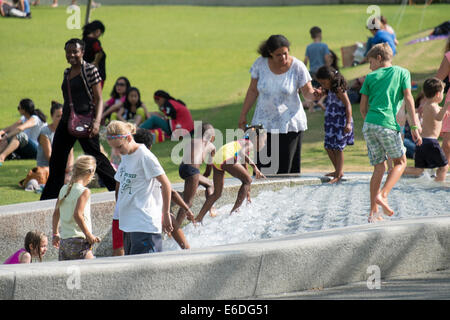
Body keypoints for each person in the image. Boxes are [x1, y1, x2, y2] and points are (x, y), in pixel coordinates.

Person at [40, 38, 117, 200]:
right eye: (68, 52)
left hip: (86, 122)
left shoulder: (90, 70)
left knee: (96, 156)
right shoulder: (66, 73)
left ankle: (118, 189)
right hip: (67, 121)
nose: (71, 55)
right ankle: (49, 199)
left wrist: (97, 122)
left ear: (82, 52)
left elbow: (99, 98)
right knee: (57, 161)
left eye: (75, 51)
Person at [238, 34, 320, 174]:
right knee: (261, 170)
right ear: (270, 53)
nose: (283, 58)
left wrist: (316, 94)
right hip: (262, 124)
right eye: (278, 55)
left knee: (284, 171)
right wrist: (243, 114)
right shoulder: (260, 64)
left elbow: (307, 93)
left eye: (285, 53)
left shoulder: (298, 67)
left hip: (288, 126)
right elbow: (252, 91)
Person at [359, 43, 422, 223]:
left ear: (379, 58)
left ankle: (373, 211)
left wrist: (370, 122)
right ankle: (383, 195)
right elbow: (409, 99)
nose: (370, 67)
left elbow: (363, 108)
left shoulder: (370, 77)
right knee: (400, 162)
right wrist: (415, 127)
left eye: (370, 62)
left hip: (369, 124)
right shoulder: (402, 73)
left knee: (379, 167)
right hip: (387, 124)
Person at [106, 121, 173, 255]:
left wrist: (165, 214)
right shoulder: (126, 155)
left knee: (146, 272)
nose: (117, 152)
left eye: (119, 147)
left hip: (144, 224)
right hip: (128, 224)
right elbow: (120, 183)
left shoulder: (145, 157)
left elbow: (166, 184)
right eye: (114, 148)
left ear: (129, 138)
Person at [133, 128, 195, 250]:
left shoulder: (129, 162)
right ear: (150, 146)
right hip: (153, 213)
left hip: (135, 216)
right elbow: (171, 191)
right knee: (185, 246)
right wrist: (186, 208)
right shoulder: (149, 160)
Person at [194, 126, 267, 225]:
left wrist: (248, 194)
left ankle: (198, 219)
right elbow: (241, 154)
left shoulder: (242, 142)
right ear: (257, 138)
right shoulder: (249, 143)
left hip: (218, 159)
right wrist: (255, 167)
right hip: (226, 158)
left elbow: (244, 170)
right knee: (248, 180)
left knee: (217, 194)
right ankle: (234, 212)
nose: (264, 143)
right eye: (264, 140)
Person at [52, 155, 101, 261]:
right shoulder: (84, 191)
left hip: (64, 243)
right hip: (79, 242)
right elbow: (77, 215)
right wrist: (88, 235)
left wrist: (55, 233)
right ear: (89, 173)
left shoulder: (63, 189)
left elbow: (56, 213)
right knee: (92, 273)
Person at [403, 78, 449, 181]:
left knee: (419, 169)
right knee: (444, 167)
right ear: (438, 94)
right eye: (442, 92)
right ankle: (438, 186)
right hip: (431, 142)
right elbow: (438, 118)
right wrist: (446, 106)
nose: (443, 95)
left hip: (422, 141)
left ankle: (397, 169)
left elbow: (434, 116)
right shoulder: (433, 106)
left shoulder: (427, 105)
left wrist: (442, 110)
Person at [315, 66, 354, 183]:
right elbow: (322, 92)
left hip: (340, 123)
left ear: (330, 78)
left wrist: (348, 123)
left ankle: (338, 174)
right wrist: (318, 91)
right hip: (331, 123)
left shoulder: (339, 90)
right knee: (328, 146)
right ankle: (338, 170)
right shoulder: (330, 89)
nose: (322, 84)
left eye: (323, 82)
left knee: (338, 148)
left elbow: (348, 105)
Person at [176, 122, 217, 228]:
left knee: (208, 183)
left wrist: (196, 180)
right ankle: (175, 228)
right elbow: (208, 171)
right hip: (192, 171)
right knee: (188, 203)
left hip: (182, 168)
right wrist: (197, 179)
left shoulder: (192, 141)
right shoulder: (211, 146)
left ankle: (210, 209)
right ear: (212, 136)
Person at [36, 101, 74, 184]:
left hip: (64, 168)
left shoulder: (67, 131)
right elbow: (50, 157)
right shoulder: (45, 132)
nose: (61, 118)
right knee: (66, 181)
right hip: (47, 168)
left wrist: (69, 168)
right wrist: (64, 168)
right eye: (58, 116)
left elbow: (70, 153)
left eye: (62, 116)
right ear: (52, 117)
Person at [0, 98, 46, 165]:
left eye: (19, 108)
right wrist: (1, 133)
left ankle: (1, 157)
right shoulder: (24, 118)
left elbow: (20, 128)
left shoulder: (35, 119)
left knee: (20, 135)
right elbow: (9, 128)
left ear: (24, 110)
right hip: (28, 148)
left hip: (37, 150)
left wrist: (6, 136)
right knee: (7, 136)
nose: (18, 109)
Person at [435, 36, 450, 164]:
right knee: (447, 143)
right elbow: (437, 80)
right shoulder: (449, 56)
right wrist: (427, 101)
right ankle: (442, 175)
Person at [82, 20, 106, 88]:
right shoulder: (94, 42)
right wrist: (95, 63)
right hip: (96, 77)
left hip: (85, 74)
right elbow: (99, 52)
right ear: (98, 30)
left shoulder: (83, 41)